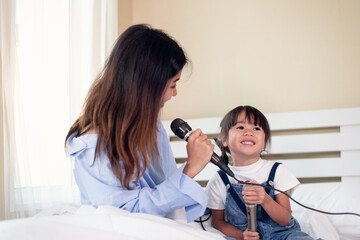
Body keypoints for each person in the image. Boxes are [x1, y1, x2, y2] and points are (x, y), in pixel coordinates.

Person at [65, 24, 214, 223]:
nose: (174, 94)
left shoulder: (151, 125)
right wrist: (190, 169)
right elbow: (123, 216)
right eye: (173, 85)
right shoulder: (93, 149)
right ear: (147, 85)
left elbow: (166, 187)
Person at [205, 105, 314, 240]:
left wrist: (266, 200)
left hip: (282, 235)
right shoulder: (220, 179)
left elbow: (285, 219)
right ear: (225, 139)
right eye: (240, 127)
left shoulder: (277, 171)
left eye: (256, 128)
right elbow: (218, 222)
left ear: (264, 144)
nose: (249, 132)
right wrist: (241, 235)